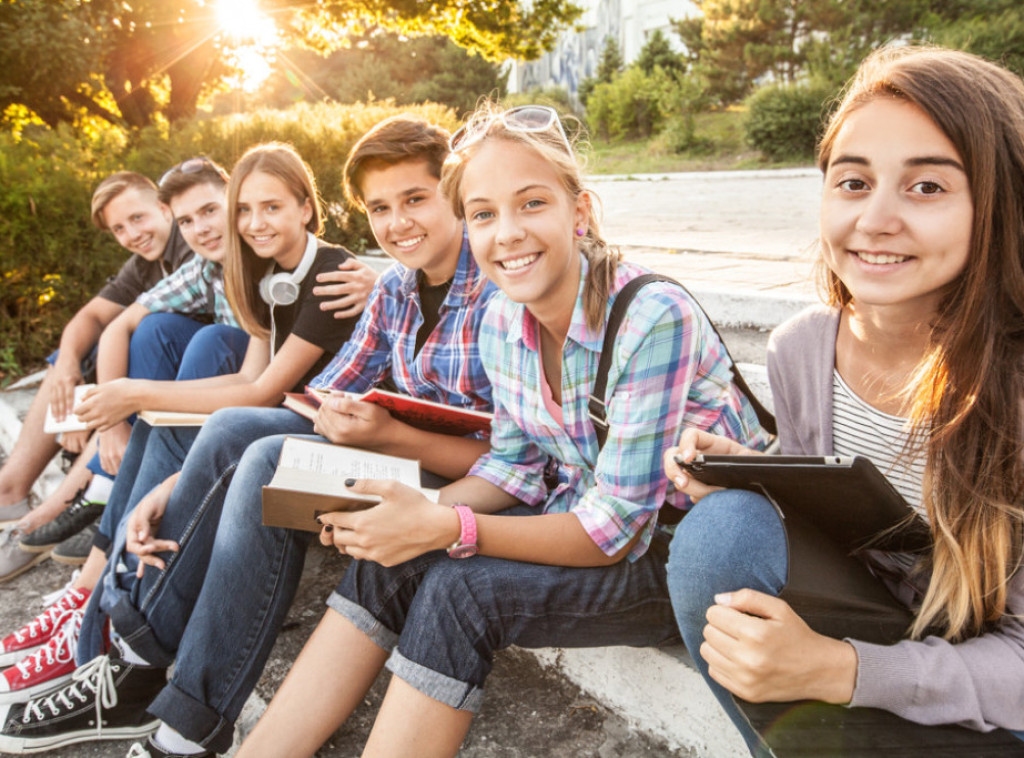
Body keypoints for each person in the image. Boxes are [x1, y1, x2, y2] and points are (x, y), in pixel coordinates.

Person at [229, 103, 770, 758]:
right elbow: (512, 468)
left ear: (581, 212)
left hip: (675, 557)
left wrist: (446, 524)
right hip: (585, 519)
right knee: (393, 555)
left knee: (464, 589)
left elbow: (614, 531)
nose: (506, 233)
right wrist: (404, 515)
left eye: (532, 203)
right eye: (483, 213)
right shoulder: (502, 322)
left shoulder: (650, 316)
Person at [0, 115, 499, 756]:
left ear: (453, 192)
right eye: (380, 207)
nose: (397, 221)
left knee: (256, 446)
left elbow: (515, 458)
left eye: (415, 200)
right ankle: (138, 671)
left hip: (447, 479)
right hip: (381, 447)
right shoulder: (395, 291)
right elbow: (313, 397)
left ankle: (145, 676)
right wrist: (181, 484)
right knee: (240, 433)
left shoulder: (489, 288)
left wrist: (389, 432)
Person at [665, 46, 1024, 755]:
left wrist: (845, 669)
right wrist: (758, 470)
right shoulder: (803, 349)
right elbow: (831, 505)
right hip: (890, 618)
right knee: (722, 533)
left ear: (1001, 204)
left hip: (999, 684)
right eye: (854, 182)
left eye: (926, 188)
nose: (876, 219)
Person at [0, 143, 365, 708]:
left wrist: (133, 395)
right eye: (245, 210)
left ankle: (107, 628)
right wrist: (136, 408)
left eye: (267, 208)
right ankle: (97, 610)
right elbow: (249, 378)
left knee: (204, 399)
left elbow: (260, 391)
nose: (252, 223)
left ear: (306, 207)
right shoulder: (261, 274)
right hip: (283, 424)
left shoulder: (332, 271)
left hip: (331, 440)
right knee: (169, 409)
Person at [0, 172, 194, 580]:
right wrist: (68, 366)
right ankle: (11, 492)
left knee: (147, 332)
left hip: (191, 378)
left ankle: (65, 504)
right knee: (70, 353)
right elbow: (91, 317)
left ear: (164, 209)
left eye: (137, 219)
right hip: (150, 381)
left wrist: (103, 422)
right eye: (119, 228)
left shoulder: (193, 245)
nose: (132, 234)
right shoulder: (146, 262)